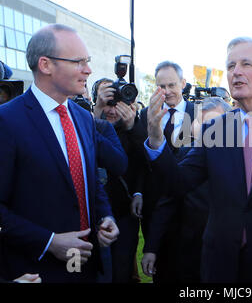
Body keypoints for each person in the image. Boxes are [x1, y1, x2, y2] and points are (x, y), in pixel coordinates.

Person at [144, 37, 252, 283]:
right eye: (230, 66)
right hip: (219, 266)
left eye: (246, 64)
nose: (236, 72)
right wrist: (156, 141)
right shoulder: (215, 131)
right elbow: (178, 184)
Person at [0, 24, 119, 283]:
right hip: (35, 270)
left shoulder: (83, 118)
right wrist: (49, 241)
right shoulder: (7, 122)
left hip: (87, 266)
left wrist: (105, 215)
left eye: (87, 61)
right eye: (78, 62)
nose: (88, 70)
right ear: (45, 65)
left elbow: (89, 180)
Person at [141, 97, 231, 282]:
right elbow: (166, 203)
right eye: (201, 122)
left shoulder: (241, 159)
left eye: (214, 123)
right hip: (186, 255)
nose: (207, 129)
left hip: (225, 254)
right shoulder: (183, 155)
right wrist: (151, 248)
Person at [139, 61, 195, 283]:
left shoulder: (201, 113)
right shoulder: (146, 115)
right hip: (156, 205)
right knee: (160, 268)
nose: (168, 91)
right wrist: (138, 192)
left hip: (191, 205)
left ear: (183, 83)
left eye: (172, 85)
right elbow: (139, 161)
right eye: (162, 86)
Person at [92, 78, 147, 283]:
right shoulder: (87, 123)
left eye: (117, 105)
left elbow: (145, 163)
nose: (112, 111)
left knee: (122, 269)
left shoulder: (132, 129)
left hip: (125, 211)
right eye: (107, 105)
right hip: (95, 214)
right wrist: (97, 111)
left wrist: (138, 193)